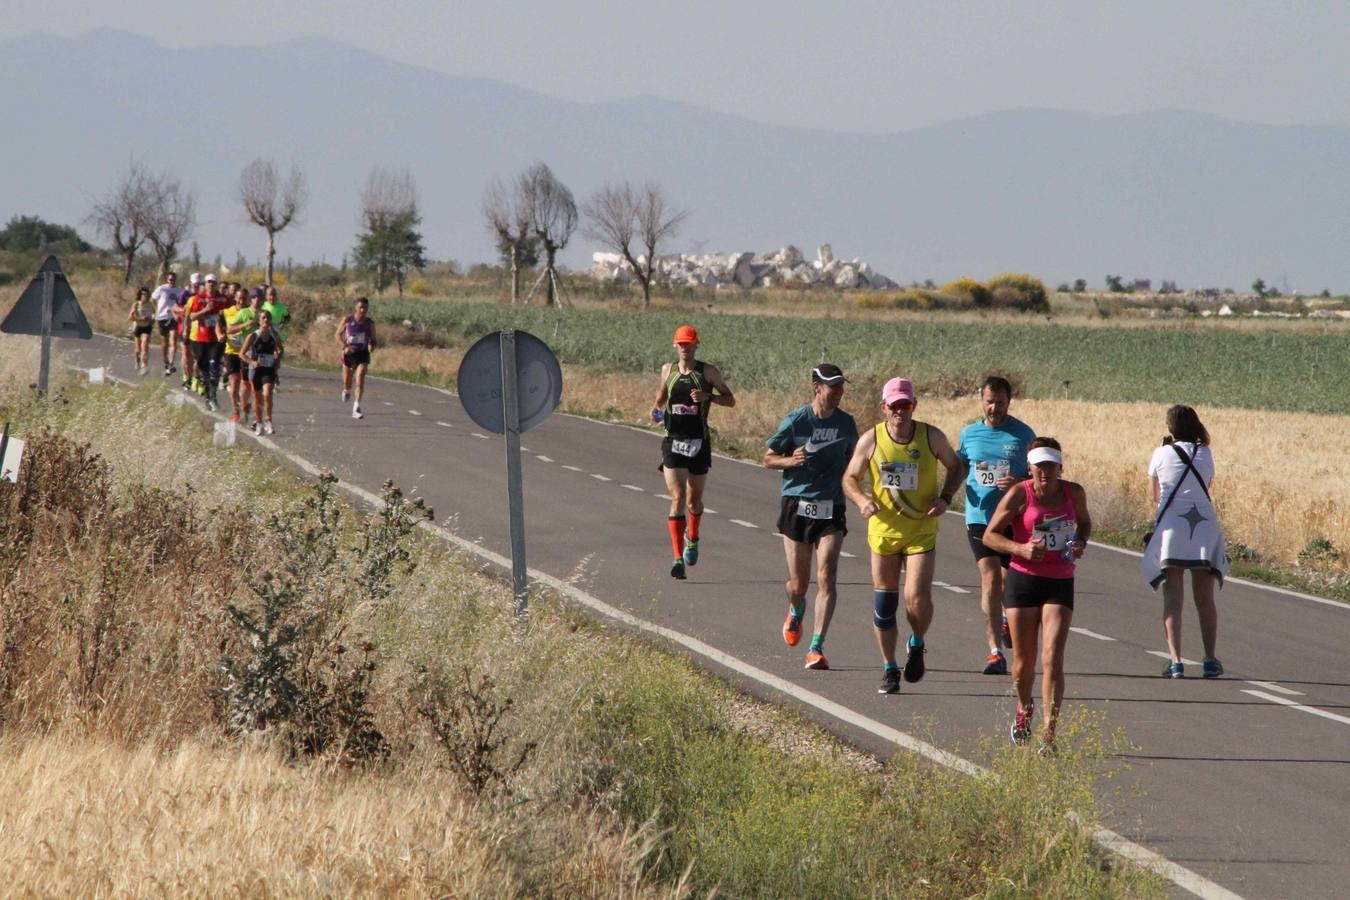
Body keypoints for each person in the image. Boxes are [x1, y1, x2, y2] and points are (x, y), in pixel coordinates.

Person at [843, 376, 963, 694]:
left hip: (920, 531)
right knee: (885, 606)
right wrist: (862, 500)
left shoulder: (930, 437)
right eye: (894, 405)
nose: (900, 411)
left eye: (905, 405)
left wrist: (946, 498)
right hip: (884, 533)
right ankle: (889, 668)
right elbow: (850, 478)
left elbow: (956, 466)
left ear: (914, 406)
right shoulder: (871, 440)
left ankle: (917, 642)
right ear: (884, 407)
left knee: (917, 600)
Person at [983, 437, 1090, 751]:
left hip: (1060, 580)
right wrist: (1020, 548)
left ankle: (1049, 734)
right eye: (1039, 465)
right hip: (1024, 580)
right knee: (1023, 663)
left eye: (1050, 465)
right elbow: (990, 536)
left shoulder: (1074, 493)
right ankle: (1024, 706)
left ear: (1060, 467)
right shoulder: (1020, 493)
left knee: (1052, 657)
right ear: (1029, 467)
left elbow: (1084, 523)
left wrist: (1080, 542)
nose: (1044, 471)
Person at [762, 364, 858, 670]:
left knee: (827, 575)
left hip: (831, 506)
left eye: (841, 386)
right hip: (797, 504)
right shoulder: (796, 421)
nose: (838, 391)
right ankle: (795, 608)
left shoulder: (846, 424)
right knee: (799, 584)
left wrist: (855, 486)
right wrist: (790, 460)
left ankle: (816, 647)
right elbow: (767, 459)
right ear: (817, 387)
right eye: (833, 386)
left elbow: (853, 461)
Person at [956, 375, 1036, 676]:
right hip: (979, 517)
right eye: (989, 402)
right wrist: (943, 496)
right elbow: (958, 468)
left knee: (1007, 582)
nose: (994, 408)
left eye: (1000, 403)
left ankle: (1006, 618)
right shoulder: (968, 434)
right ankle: (994, 653)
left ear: (1009, 402)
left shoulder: (1023, 435)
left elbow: (1038, 477)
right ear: (981, 400)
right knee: (990, 580)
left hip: (1013, 519)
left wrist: (1019, 482)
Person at [1141, 405, 1227, 679]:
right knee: (1206, 600)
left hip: (1172, 529)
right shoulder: (1206, 453)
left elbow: (1155, 495)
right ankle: (1210, 659)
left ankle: (1176, 661)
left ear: (1170, 428)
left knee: (1173, 600)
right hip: (1203, 526)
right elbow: (1207, 484)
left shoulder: (1160, 453)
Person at [651, 324, 735, 580]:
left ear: (696, 344)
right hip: (673, 441)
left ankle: (694, 537)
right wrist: (655, 411)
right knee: (677, 497)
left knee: (693, 501)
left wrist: (708, 397)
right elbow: (660, 398)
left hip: (699, 442)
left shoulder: (708, 372)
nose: (685, 348)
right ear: (675, 345)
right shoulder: (668, 370)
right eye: (681, 344)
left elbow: (730, 399)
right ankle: (677, 559)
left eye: (689, 344)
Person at [185, 274, 226, 409]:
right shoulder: (199, 298)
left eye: (213, 282)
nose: (211, 284)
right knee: (205, 370)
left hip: (216, 339)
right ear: (205, 284)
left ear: (216, 284)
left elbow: (230, 312)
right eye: (208, 282)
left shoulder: (222, 298)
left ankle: (213, 396)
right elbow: (192, 317)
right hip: (200, 338)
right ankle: (208, 396)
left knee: (214, 366)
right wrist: (206, 310)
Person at [241, 309, 283, 436]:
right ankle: (258, 423)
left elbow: (281, 349)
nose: (266, 320)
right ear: (259, 321)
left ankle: (268, 420)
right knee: (257, 398)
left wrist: (277, 362)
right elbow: (241, 354)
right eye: (263, 318)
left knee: (267, 393)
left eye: (268, 318)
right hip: (255, 371)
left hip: (268, 369)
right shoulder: (253, 336)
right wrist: (252, 362)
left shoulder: (274, 335)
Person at [223, 286, 260, 424]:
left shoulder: (253, 312)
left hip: (248, 353)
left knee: (247, 383)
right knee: (234, 381)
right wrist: (243, 325)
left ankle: (244, 403)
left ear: (248, 299)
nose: (241, 301)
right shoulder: (229, 311)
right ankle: (235, 411)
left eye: (243, 298)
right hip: (232, 351)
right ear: (235, 298)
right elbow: (227, 329)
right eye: (239, 298)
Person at [336, 297, 377, 419]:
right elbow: (337, 335)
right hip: (349, 354)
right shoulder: (347, 320)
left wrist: (371, 346)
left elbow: (373, 340)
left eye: (365, 308)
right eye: (361, 307)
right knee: (347, 382)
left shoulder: (370, 323)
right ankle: (346, 391)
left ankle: (356, 407)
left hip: (362, 354)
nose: (363, 310)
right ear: (356, 308)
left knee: (360, 378)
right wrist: (344, 347)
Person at [150, 271, 182, 375]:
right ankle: (166, 362)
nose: (172, 281)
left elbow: (180, 302)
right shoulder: (162, 289)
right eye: (170, 280)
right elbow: (153, 299)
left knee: (173, 339)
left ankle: (171, 363)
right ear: (167, 280)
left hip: (173, 317)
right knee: (164, 342)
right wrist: (156, 310)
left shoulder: (178, 290)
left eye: (173, 280)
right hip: (162, 317)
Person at [176, 273, 202, 390]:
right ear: (191, 283)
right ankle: (186, 376)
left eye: (198, 284)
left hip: (196, 328)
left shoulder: (201, 295)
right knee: (186, 354)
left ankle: (194, 377)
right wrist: (184, 310)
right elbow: (176, 307)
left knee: (195, 356)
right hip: (184, 327)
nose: (197, 286)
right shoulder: (185, 294)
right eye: (195, 284)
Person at [127, 286, 155, 374]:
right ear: (140, 295)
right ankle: (137, 361)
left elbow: (154, 314)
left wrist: (152, 320)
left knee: (145, 345)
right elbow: (130, 317)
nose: (144, 296)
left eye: (146, 294)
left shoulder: (150, 304)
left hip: (147, 327)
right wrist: (140, 318)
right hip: (138, 326)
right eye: (142, 294)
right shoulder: (136, 304)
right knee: (138, 349)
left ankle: (144, 366)